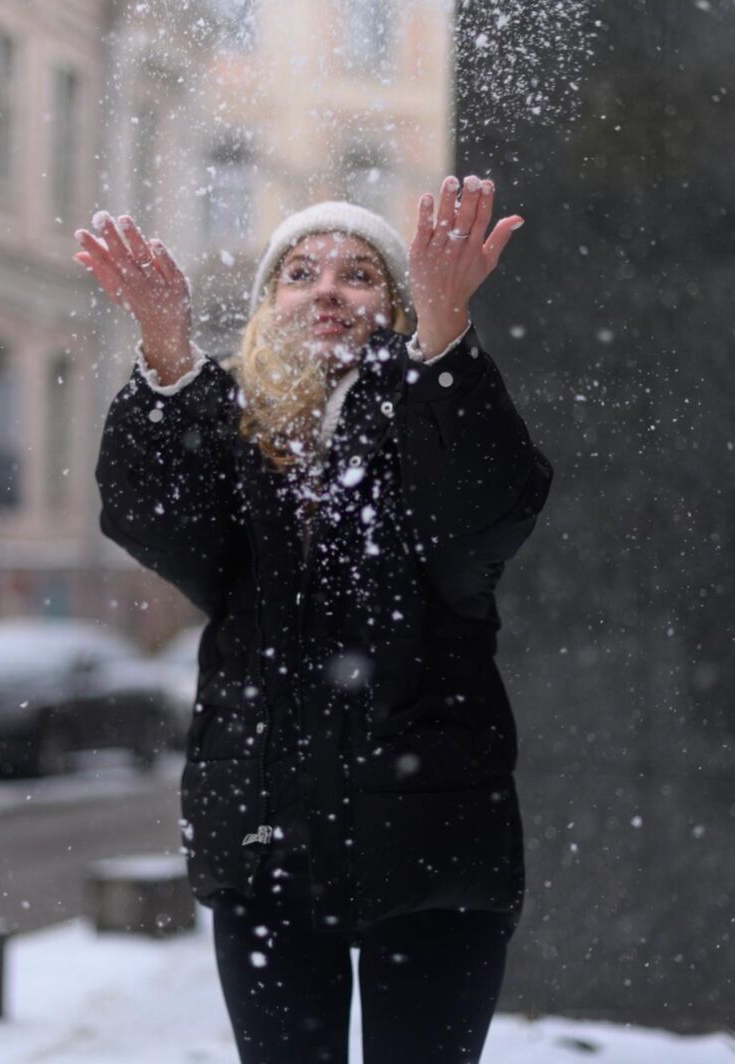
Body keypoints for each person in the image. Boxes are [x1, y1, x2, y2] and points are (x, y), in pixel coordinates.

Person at [76, 175, 552, 1064]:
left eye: (360, 273)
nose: (328, 287)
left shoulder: (429, 407)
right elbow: (155, 522)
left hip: (429, 841)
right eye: (299, 271)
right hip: (266, 843)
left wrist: (446, 335)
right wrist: (168, 352)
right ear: (268, 306)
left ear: (397, 306)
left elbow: (488, 512)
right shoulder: (233, 427)